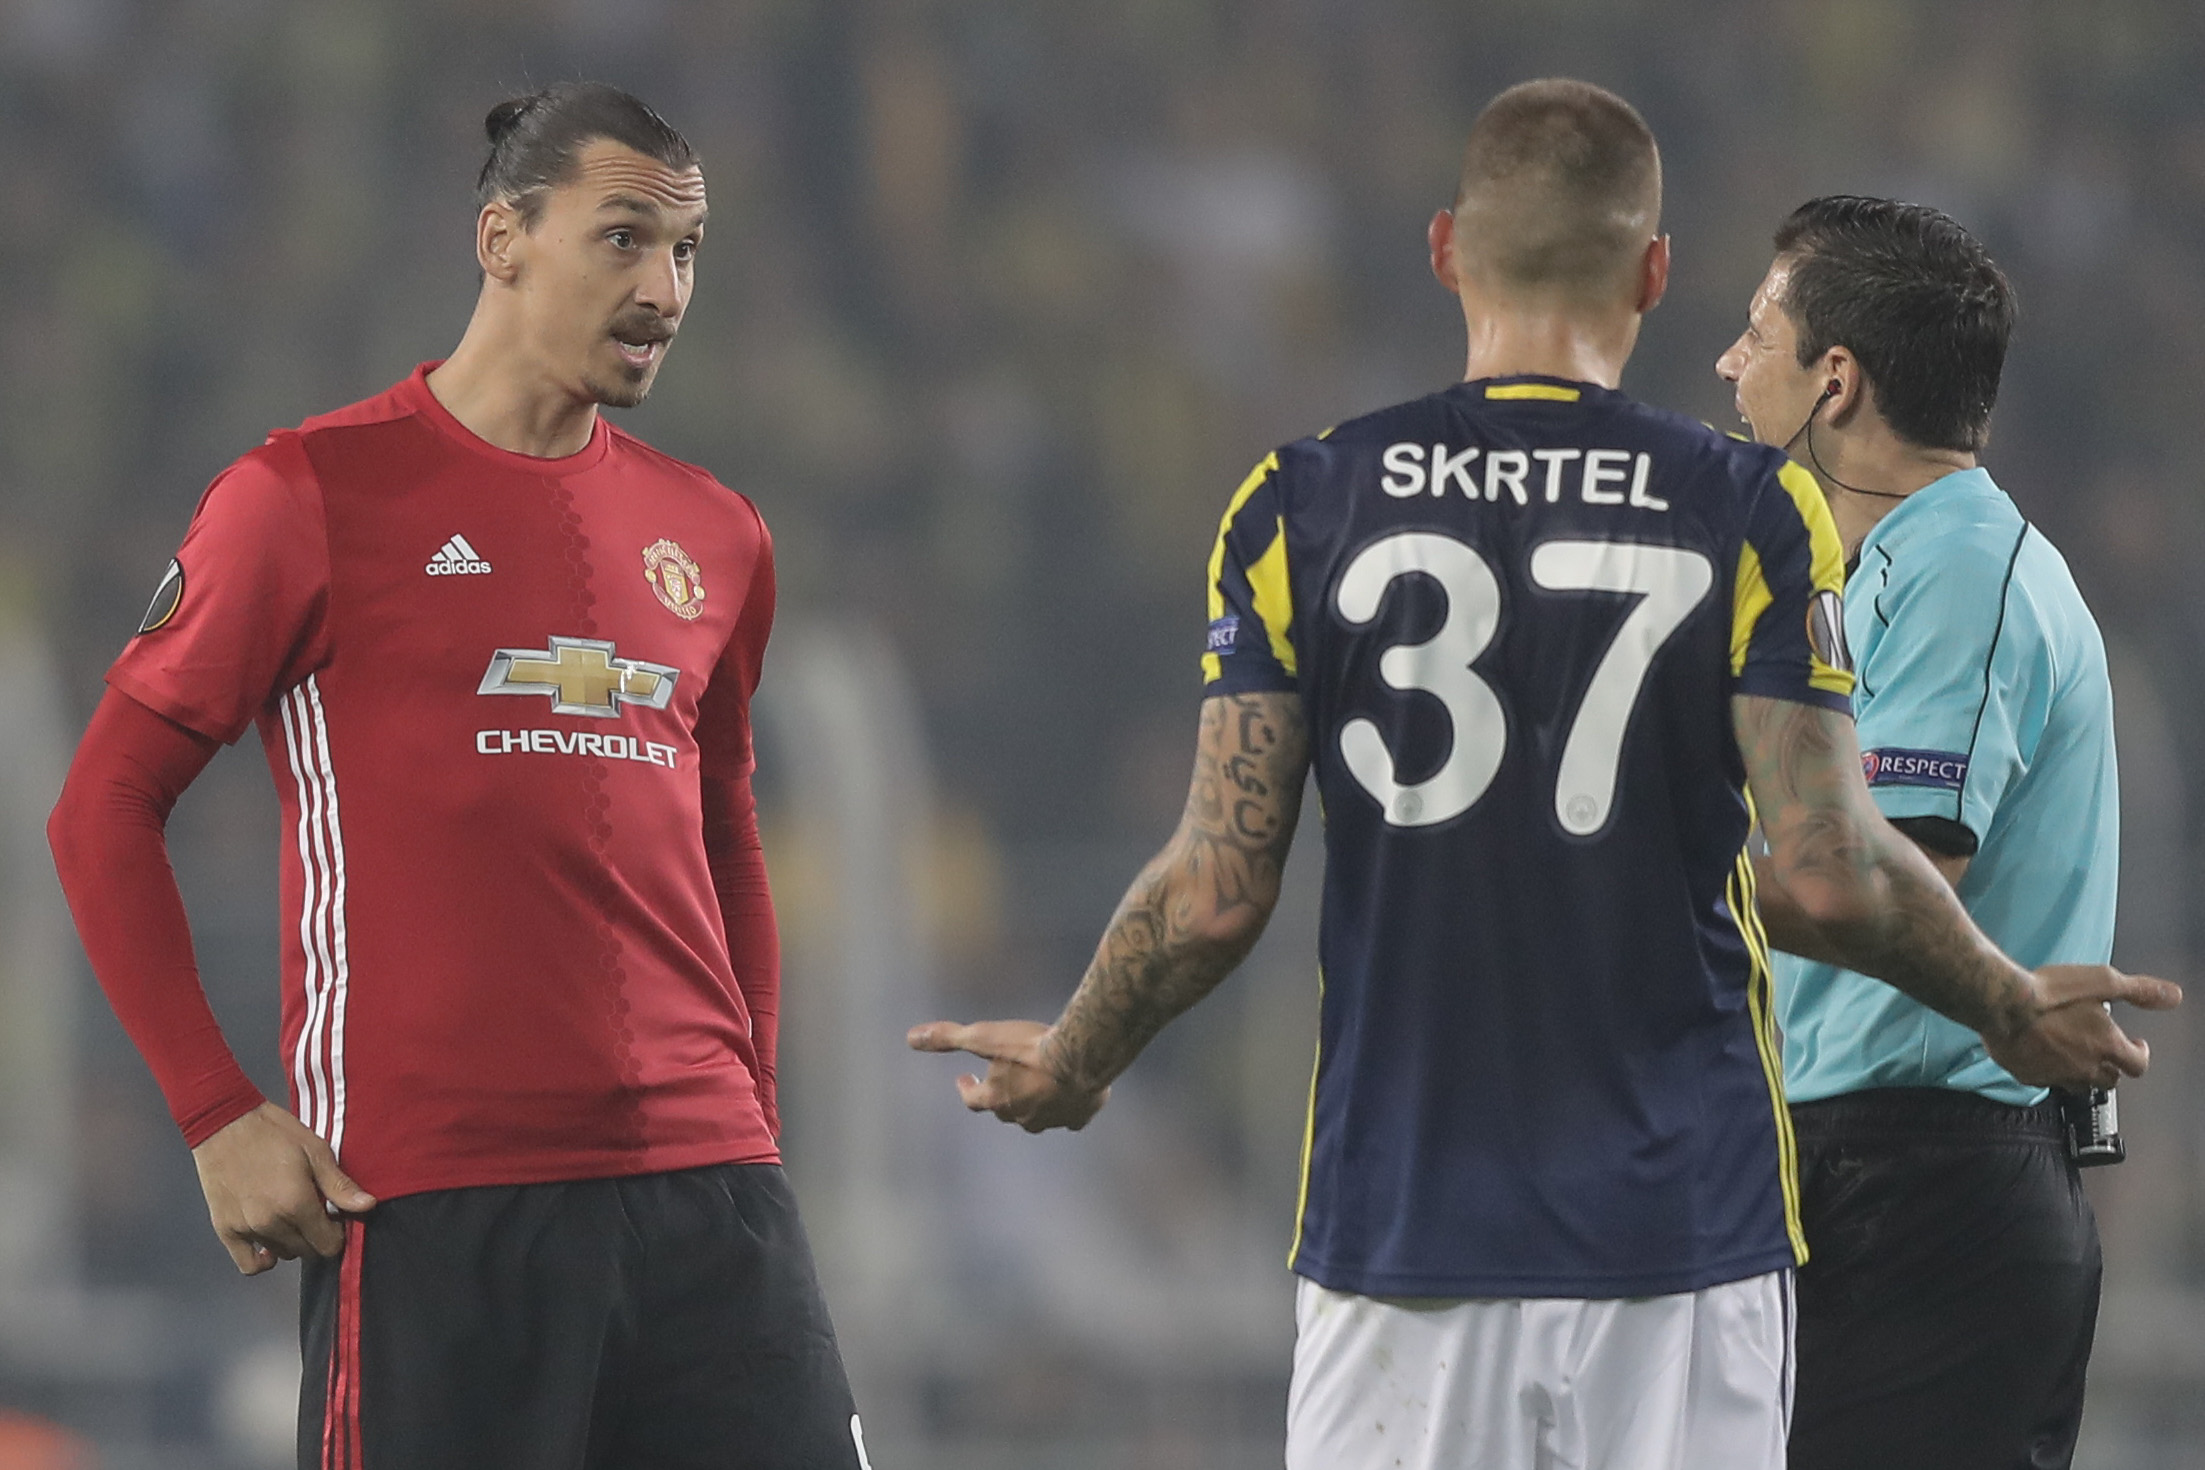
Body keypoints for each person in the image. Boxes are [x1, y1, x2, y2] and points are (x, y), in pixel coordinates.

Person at [908, 79, 2177, 1470]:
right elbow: (1830, 863)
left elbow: (1215, 887)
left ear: (1446, 249)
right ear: (1652, 272)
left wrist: (1078, 1055)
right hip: (1684, 1237)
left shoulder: (1302, 503)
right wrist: (2002, 999)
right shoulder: (1749, 512)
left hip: (1404, 1231)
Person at [47, 83, 870, 1470]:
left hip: (712, 1206)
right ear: (501, 240)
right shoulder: (309, 495)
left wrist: (754, 1121)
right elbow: (101, 807)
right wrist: (213, 1109)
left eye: (687, 252)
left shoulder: (716, 534)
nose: (665, 287)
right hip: (442, 1205)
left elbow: (725, 836)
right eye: (623, 239)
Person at [1719, 197, 2123, 1470]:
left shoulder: (1960, 567)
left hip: (1927, 1180)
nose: (1730, 365)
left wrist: (1626, 861)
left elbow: (1873, 886)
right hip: (1845, 1166)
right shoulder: (1855, 575)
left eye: (1755, 332)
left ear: (1835, 381)